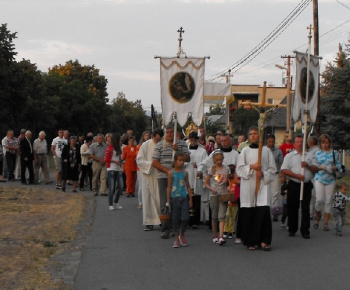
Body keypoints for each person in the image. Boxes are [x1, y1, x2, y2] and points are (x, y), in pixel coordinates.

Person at [237, 126, 276, 250]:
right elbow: (239, 169)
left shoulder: (266, 151)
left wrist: (264, 173)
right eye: (251, 134)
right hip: (248, 186)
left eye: (255, 133)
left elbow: (273, 169)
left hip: (262, 185)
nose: (253, 135)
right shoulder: (245, 151)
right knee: (249, 213)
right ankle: (250, 241)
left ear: (259, 135)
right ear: (248, 136)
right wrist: (251, 167)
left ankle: (264, 240)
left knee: (263, 212)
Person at [152, 125, 190, 239]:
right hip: (164, 177)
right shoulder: (160, 145)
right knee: (165, 203)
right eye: (167, 132)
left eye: (171, 132)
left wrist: (177, 150)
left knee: (177, 202)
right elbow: (155, 162)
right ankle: (165, 228)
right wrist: (169, 171)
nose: (169, 134)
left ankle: (175, 229)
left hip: (178, 178)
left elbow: (187, 158)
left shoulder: (182, 143)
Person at [281, 135, 315, 239]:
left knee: (305, 207)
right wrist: (297, 176)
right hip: (294, 184)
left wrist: (308, 165)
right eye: (298, 142)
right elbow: (284, 169)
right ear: (294, 144)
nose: (300, 144)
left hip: (306, 184)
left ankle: (305, 230)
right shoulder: (289, 156)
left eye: (301, 142)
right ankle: (292, 228)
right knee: (292, 207)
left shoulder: (310, 156)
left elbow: (316, 169)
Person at [311, 134, 343, 231]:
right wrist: (319, 167)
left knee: (328, 201)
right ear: (320, 143)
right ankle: (317, 218)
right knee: (319, 200)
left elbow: (339, 165)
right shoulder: (317, 153)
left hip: (330, 179)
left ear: (329, 143)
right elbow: (313, 165)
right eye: (323, 143)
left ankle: (326, 223)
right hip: (319, 178)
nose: (325, 145)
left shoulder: (334, 153)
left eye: (327, 143)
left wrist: (335, 167)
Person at [136, 128, 164, 231]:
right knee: (148, 198)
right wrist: (150, 164)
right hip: (148, 174)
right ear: (153, 136)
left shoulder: (163, 145)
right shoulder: (145, 145)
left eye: (160, 139)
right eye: (157, 139)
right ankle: (149, 221)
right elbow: (139, 160)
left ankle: (161, 220)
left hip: (160, 174)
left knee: (160, 198)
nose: (158, 141)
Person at [166, 152, 193, 248]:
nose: (181, 162)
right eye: (179, 160)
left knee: (185, 217)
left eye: (183, 160)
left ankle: (182, 233)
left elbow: (188, 186)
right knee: (175, 218)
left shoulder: (185, 173)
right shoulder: (171, 173)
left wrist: (190, 199)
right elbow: (169, 187)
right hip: (174, 198)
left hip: (184, 197)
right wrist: (168, 201)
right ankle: (176, 238)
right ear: (175, 161)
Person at [204, 150, 230, 245]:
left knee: (222, 215)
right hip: (214, 194)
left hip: (223, 194)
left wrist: (227, 182)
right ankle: (215, 235)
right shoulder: (211, 169)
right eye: (217, 160)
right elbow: (206, 183)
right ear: (214, 160)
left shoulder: (226, 169)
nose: (219, 162)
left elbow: (228, 183)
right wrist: (211, 188)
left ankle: (221, 236)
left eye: (221, 160)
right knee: (214, 216)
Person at [185, 131, 208, 229]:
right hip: (188, 175)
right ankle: (187, 220)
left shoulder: (202, 151)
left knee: (196, 198)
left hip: (197, 176)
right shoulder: (185, 150)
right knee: (187, 197)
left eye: (195, 139)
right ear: (189, 139)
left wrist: (198, 166)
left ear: (197, 140)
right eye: (191, 139)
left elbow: (205, 163)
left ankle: (195, 220)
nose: (193, 141)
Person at [265, 134, 283, 222]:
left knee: (275, 194)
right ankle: (266, 211)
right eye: (269, 141)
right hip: (265, 173)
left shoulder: (278, 151)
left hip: (275, 174)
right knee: (266, 193)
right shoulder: (263, 150)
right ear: (267, 141)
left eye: (272, 141)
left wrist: (281, 174)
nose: (271, 143)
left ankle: (274, 212)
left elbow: (280, 163)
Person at [104, 133, 123, 210]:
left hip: (118, 169)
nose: (120, 141)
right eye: (119, 140)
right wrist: (116, 162)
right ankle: (111, 204)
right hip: (111, 168)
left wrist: (120, 161)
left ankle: (116, 202)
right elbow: (106, 158)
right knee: (112, 187)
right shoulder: (110, 148)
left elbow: (118, 157)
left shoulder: (119, 148)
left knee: (120, 186)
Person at [223, 164, 240, 239]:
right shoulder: (228, 180)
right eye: (231, 173)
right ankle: (225, 230)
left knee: (233, 217)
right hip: (228, 201)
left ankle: (230, 231)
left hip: (235, 202)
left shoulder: (236, 182)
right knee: (227, 215)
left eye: (233, 174)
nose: (232, 175)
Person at [136, 131, 151, 209]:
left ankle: (148, 202)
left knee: (149, 186)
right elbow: (138, 158)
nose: (147, 137)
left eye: (148, 135)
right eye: (145, 135)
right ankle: (140, 202)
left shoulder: (152, 145)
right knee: (141, 186)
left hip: (149, 167)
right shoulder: (139, 146)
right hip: (140, 168)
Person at [307, 135, 319, 219]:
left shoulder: (313, 151)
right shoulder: (316, 150)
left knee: (312, 195)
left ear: (311, 142)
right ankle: (314, 212)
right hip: (316, 174)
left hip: (314, 174)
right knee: (315, 195)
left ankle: (312, 213)